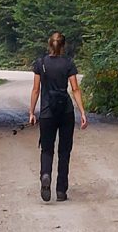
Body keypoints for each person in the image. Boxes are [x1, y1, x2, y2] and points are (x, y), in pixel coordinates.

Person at [30, 32, 87, 202]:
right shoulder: (68, 63)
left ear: (49, 45)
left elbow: (36, 89)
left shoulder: (41, 63)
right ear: (63, 46)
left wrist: (32, 112)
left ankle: (46, 175)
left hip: (47, 112)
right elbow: (75, 89)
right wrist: (82, 112)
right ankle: (61, 190)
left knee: (47, 149)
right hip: (66, 112)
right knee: (64, 150)